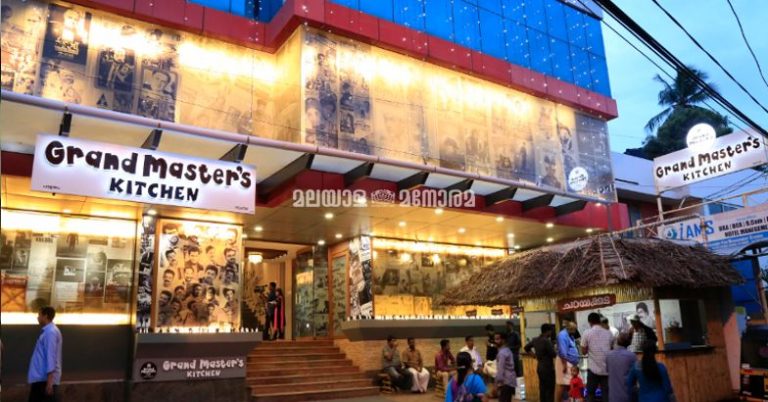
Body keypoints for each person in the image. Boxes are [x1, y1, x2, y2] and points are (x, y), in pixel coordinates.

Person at [28, 306, 62, 402]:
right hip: (41, 379)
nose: (37, 317)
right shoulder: (48, 331)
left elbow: (50, 356)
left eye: (39, 315)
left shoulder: (50, 333)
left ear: (45, 316)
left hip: (44, 380)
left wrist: (50, 382)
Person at [581, 312, 613, 402]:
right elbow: (612, 349)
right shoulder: (608, 333)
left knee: (590, 394)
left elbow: (583, 352)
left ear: (589, 322)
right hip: (606, 369)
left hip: (593, 370)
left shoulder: (587, 333)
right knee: (606, 394)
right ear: (599, 320)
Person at [524, 324, 557, 402]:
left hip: (540, 367)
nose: (551, 333)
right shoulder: (546, 341)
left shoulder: (535, 339)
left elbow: (526, 348)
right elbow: (553, 354)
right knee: (550, 389)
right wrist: (556, 349)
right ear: (547, 331)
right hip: (548, 368)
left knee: (542, 389)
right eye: (551, 331)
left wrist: (534, 355)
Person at [606, 332, 637, 402]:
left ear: (617, 341)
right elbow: (635, 376)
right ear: (629, 342)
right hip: (627, 395)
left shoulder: (609, 355)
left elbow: (607, 371)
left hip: (613, 396)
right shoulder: (632, 356)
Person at [557, 321, 581, 401]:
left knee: (571, 384)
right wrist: (564, 365)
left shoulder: (570, 335)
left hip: (571, 363)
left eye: (575, 329)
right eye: (573, 329)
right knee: (563, 384)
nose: (574, 331)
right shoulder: (562, 335)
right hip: (565, 362)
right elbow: (563, 352)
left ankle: (571, 400)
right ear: (568, 328)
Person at [494, 332, 515, 402]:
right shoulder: (507, 350)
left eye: (497, 339)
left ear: (503, 340)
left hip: (505, 382)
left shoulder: (502, 353)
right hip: (510, 381)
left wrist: (496, 384)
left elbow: (500, 370)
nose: (495, 341)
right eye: (495, 339)